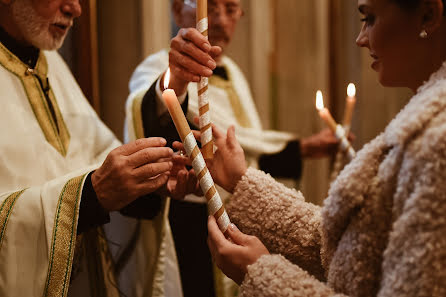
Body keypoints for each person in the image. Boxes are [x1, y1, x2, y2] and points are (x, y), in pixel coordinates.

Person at [202, 0, 446, 296]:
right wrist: (242, 183)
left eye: (370, 18)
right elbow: (350, 250)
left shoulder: (436, 145)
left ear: (428, 15)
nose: (360, 39)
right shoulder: (426, 125)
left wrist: (263, 275)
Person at [125, 0, 341, 296]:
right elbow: (152, 115)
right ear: (178, 11)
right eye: (211, 7)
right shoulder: (154, 68)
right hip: (189, 222)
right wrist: (177, 80)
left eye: (231, 8)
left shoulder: (234, 73)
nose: (222, 21)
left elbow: (244, 149)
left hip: (240, 215)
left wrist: (303, 149)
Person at [0, 0, 191, 296]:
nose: (75, 9)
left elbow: (96, 161)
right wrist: (90, 195)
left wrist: (146, 182)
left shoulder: (50, 63)